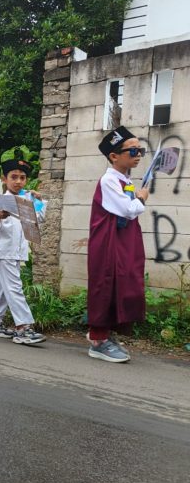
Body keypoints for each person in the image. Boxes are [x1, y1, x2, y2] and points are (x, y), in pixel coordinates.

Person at [86, 126, 149, 363]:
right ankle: (97, 340)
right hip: (109, 243)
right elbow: (128, 209)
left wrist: (136, 197)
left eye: (140, 150)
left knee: (123, 284)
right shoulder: (109, 180)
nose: (139, 155)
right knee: (106, 284)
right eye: (133, 151)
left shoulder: (125, 180)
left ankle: (106, 334)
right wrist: (142, 198)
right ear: (114, 156)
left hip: (122, 241)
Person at [0, 157, 47, 345]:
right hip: (3, 251)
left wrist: (40, 200)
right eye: (14, 177)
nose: (18, 181)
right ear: (4, 179)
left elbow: (40, 220)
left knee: (5, 289)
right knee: (14, 288)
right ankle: (23, 327)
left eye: (22, 177)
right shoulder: (1, 200)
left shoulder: (27, 199)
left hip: (18, 252)